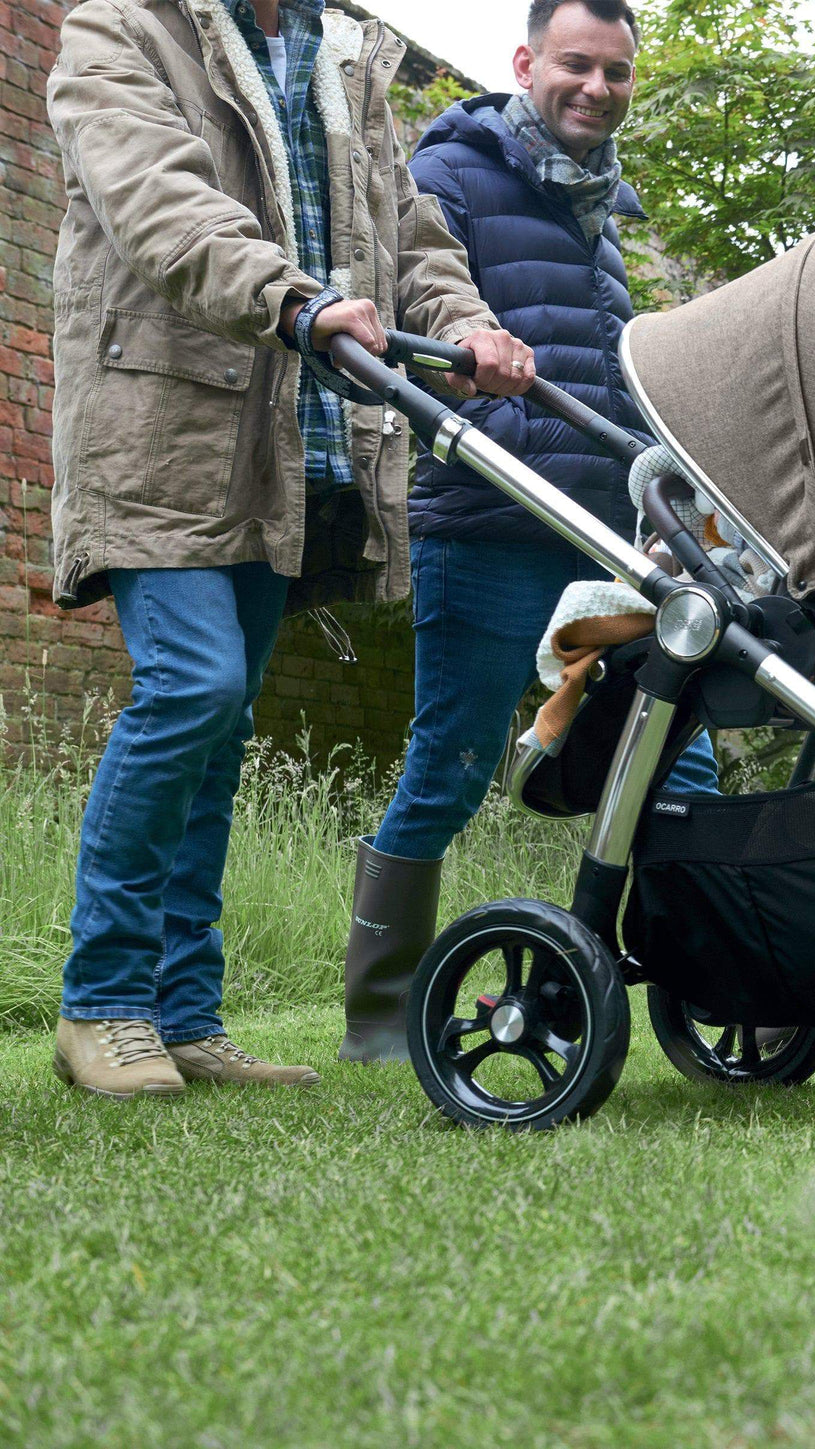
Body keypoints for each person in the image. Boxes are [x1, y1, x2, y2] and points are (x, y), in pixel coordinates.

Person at [46, 0, 535, 1098]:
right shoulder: (120, 30)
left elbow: (408, 234)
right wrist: (293, 298)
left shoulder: (346, 56)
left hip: (291, 441)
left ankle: (183, 1014)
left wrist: (461, 323)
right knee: (194, 687)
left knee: (222, 728)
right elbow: (154, 198)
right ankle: (103, 1002)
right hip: (160, 428)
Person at [341, 0, 721, 1064]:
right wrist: (469, 341)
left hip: (605, 542)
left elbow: (620, 382)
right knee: (451, 763)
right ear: (526, 64)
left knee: (676, 757)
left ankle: (724, 973)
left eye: (617, 72)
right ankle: (380, 1013)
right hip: (487, 522)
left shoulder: (610, 215)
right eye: (575, 66)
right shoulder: (452, 171)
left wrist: (669, 512)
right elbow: (413, 299)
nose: (597, 88)